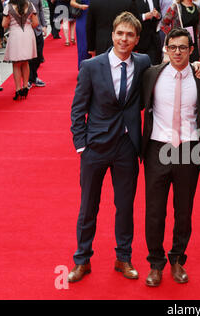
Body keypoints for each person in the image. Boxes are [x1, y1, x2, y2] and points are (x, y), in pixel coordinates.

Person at [68, 12, 151, 283]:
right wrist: (81, 146)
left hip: (127, 147)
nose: (124, 39)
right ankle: (82, 259)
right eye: (120, 33)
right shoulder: (91, 66)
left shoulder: (143, 63)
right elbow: (78, 108)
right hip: (95, 147)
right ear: (112, 34)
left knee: (125, 206)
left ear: (137, 39)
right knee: (88, 206)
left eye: (130, 35)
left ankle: (123, 258)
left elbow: (167, 69)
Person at [140, 27, 200, 287]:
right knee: (155, 211)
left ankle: (178, 259)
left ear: (191, 50)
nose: (177, 52)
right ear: (165, 50)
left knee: (184, 211)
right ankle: (155, 263)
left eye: (183, 47)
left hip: (190, 149)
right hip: (158, 148)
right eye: (173, 47)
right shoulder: (151, 75)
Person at [2, 0, 39, 100]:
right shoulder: (30, 5)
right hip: (28, 33)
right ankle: (25, 87)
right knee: (25, 62)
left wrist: (12, 24)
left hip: (15, 34)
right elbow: (35, 23)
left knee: (16, 63)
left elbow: (4, 24)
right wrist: (27, 26)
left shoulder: (8, 7)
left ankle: (18, 89)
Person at [135, 0, 162, 65]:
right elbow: (130, 16)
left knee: (155, 65)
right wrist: (144, 16)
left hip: (154, 39)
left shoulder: (155, 0)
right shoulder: (133, 1)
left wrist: (158, 16)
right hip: (140, 40)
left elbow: (159, 14)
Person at [27, 0, 46, 88]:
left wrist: (44, 25)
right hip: (26, 31)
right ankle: (31, 79)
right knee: (29, 57)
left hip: (38, 30)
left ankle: (33, 77)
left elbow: (41, 10)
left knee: (39, 56)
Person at [70, 0, 90, 69]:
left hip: (96, 17)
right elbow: (72, 2)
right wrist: (80, 6)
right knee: (83, 46)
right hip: (83, 17)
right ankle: (83, 69)